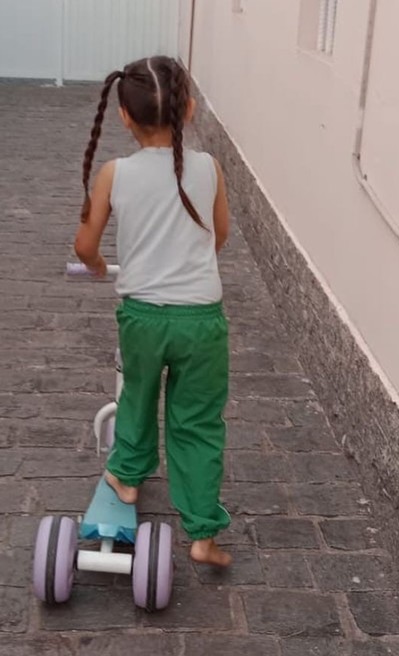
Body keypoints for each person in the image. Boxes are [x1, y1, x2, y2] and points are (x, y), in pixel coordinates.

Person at [73, 56, 233, 567]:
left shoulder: (114, 173)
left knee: (137, 398)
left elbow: (85, 245)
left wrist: (99, 265)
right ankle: (204, 531)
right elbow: (220, 236)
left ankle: (125, 476)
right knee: (199, 421)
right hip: (202, 321)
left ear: (123, 116)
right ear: (189, 108)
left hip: (142, 316)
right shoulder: (208, 168)